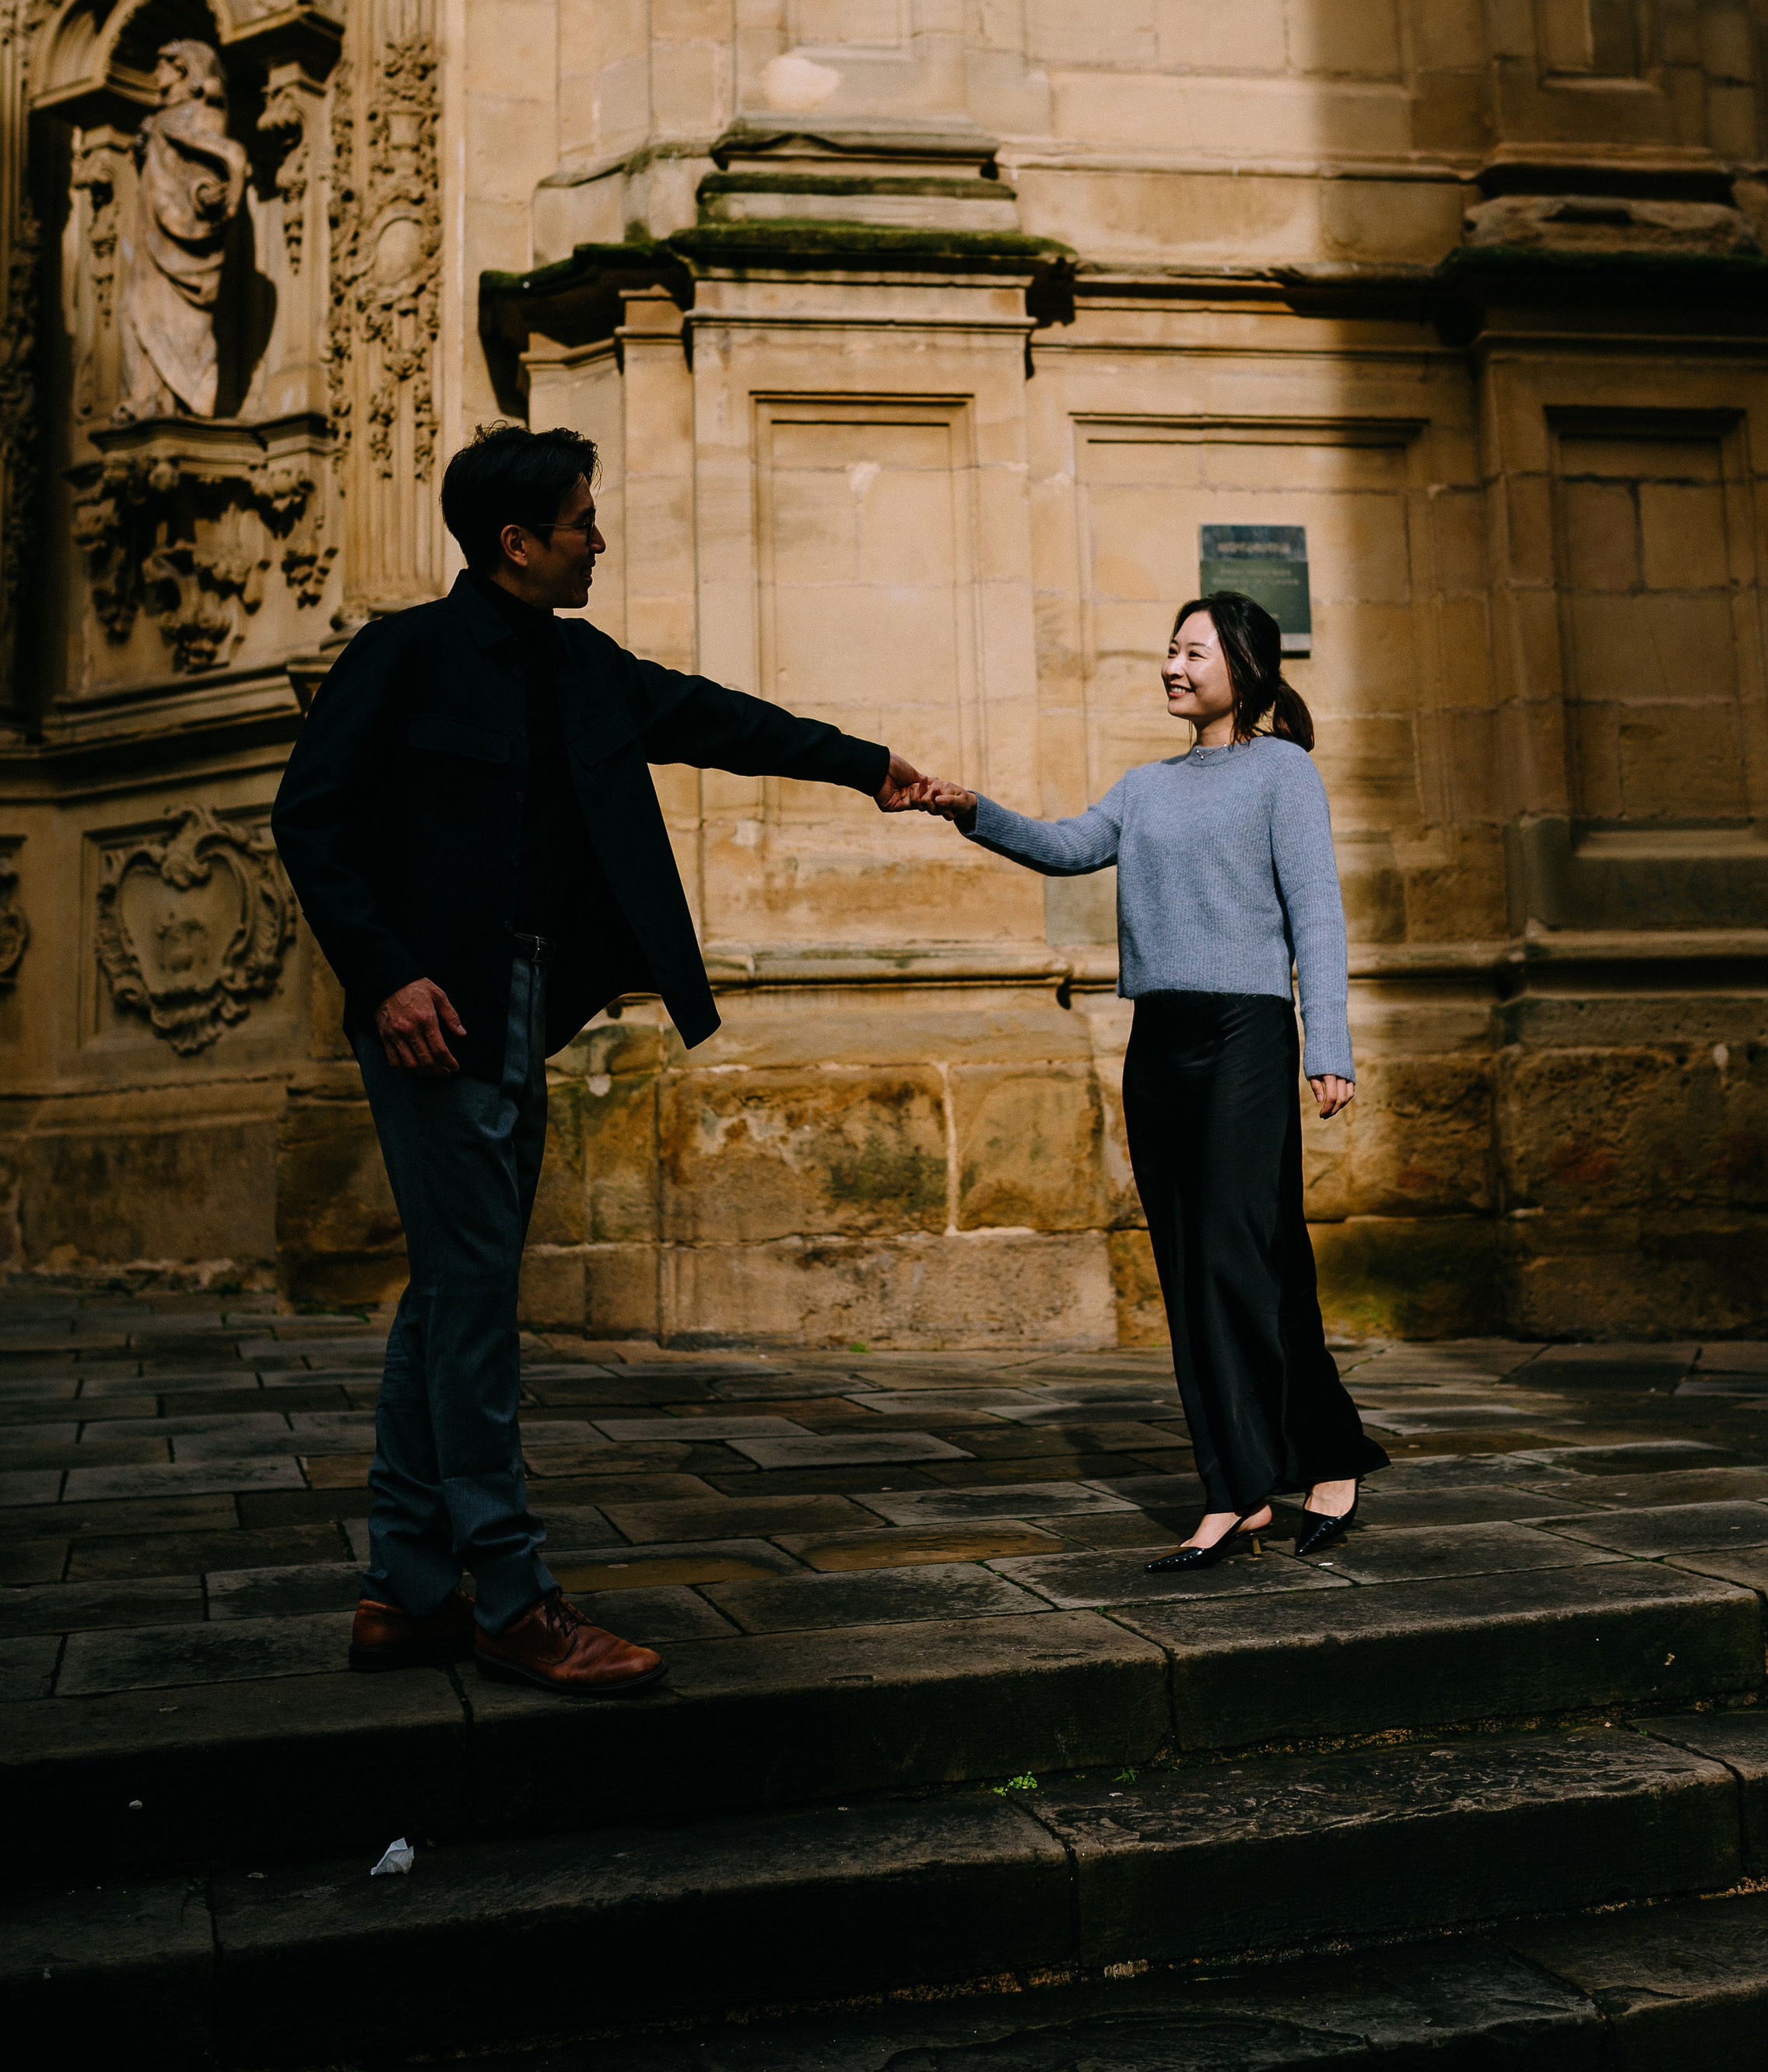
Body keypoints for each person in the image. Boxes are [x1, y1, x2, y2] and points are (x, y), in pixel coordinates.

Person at [272, 424, 928, 1695]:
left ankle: (406, 1586)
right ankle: (513, 1597)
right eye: (582, 521)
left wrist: (870, 767)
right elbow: (310, 818)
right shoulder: (402, 654)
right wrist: (386, 972)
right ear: (516, 542)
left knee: (456, 1288)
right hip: (433, 1011)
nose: (600, 538)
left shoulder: (582, 666)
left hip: (522, 1001)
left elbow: (718, 719)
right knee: (473, 1298)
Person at [912, 591, 1386, 1567]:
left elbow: (1318, 916)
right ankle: (1300, 1468)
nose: (1172, 666)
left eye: (1192, 651)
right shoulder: (1144, 785)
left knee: (1233, 1256)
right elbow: (1068, 846)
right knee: (1211, 1262)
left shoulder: (1283, 775)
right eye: (1168, 651)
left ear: (1242, 666)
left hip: (1245, 1037)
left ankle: (1242, 1488)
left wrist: (1326, 1045)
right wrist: (971, 811)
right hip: (1159, 1044)